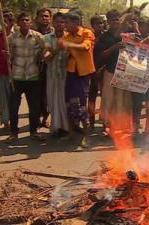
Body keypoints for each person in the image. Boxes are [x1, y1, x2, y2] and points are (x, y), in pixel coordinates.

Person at [7, 12, 46, 142]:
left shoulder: (38, 37)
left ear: (30, 22)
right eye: (22, 20)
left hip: (33, 77)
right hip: (16, 77)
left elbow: (45, 50)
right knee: (13, 107)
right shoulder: (11, 38)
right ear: (18, 23)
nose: (24, 22)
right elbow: (9, 55)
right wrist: (6, 55)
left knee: (34, 107)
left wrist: (42, 56)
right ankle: (14, 132)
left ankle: (33, 131)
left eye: (27, 19)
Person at [58, 13, 96, 147]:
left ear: (76, 22)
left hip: (83, 74)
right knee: (69, 103)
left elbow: (85, 47)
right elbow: (60, 44)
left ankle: (87, 136)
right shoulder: (66, 36)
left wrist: (69, 45)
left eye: (67, 23)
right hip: (71, 73)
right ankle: (71, 133)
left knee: (82, 105)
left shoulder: (87, 33)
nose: (65, 25)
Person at [97, 9, 133, 143]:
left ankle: (118, 128)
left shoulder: (126, 35)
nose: (115, 22)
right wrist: (114, 47)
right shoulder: (104, 37)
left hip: (123, 73)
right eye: (112, 20)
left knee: (122, 101)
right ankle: (106, 126)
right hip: (110, 71)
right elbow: (101, 55)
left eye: (117, 19)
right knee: (108, 100)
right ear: (108, 21)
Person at [43, 12, 69, 136]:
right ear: (53, 23)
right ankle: (56, 127)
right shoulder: (47, 38)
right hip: (52, 74)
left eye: (62, 22)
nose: (60, 24)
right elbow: (46, 58)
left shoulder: (70, 37)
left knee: (64, 102)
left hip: (66, 75)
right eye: (57, 22)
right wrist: (58, 49)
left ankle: (66, 128)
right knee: (53, 101)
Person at [0, 11, 14, 129]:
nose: (3, 24)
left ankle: (12, 119)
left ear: (11, 23)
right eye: (1, 22)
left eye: (5, 22)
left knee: (13, 98)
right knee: (2, 98)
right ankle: (5, 121)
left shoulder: (16, 37)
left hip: (13, 72)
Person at [132, 16, 149, 139]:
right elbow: (127, 51)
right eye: (140, 25)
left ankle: (147, 132)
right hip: (136, 77)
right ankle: (135, 130)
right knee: (136, 106)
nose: (142, 28)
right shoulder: (133, 39)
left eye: (144, 25)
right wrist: (140, 44)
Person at [35, 8, 54, 128]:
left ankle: (46, 118)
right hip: (35, 68)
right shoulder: (33, 33)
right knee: (37, 95)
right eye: (42, 16)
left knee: (49, 94)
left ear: (50, 19)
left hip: (51, 68)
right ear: (37, 18)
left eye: (47, 16)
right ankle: (38, 117)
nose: (44, 18)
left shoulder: (54, 33)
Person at [88, 15, 105, 131]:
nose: (100, 25)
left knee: (106, 98)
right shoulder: (89, 37)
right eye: (98, 23)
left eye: (101, 23)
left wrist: (102, 69)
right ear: (92, 25)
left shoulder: (106, 37)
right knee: (91, 98)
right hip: (91, 71)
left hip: (104, 71)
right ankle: (91, 121)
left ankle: (105, 123)